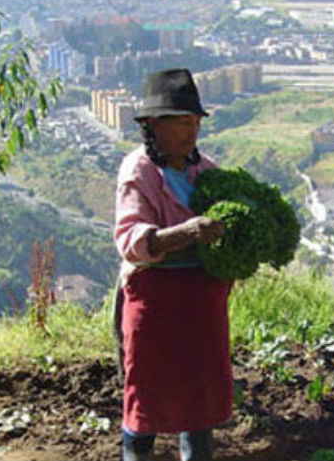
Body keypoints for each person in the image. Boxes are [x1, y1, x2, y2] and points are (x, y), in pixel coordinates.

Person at [113, 68, 231, 461]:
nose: (190, 132)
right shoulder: (140, 171)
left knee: (198, 399)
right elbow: (131, 240)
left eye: (194, 122)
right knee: (145, 394)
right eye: (180, 123)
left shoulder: (204, 170)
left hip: (199, 303)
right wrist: (187, 232)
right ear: (152, 125)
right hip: (156, 302)